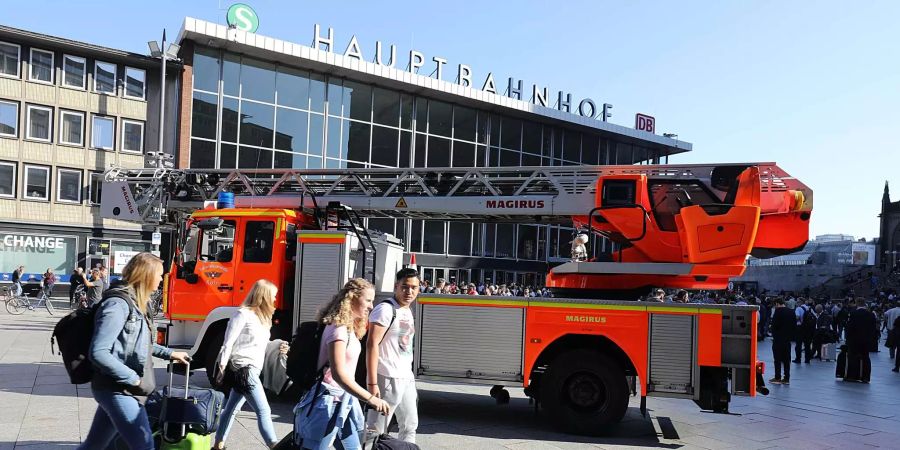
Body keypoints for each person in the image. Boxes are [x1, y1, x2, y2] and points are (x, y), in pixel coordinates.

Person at [78, 253, 190, 450]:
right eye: (160, 275)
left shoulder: (137, 304)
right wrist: (133, 378)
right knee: (144, 445)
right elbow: (98, 352)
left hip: (119, 387)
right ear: (146, 275)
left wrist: (170, 353)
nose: (162, 279)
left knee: (94, 446)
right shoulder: (117, 305)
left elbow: (138, 344)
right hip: (118, 388)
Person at [297, 278, 389, 449]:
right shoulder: (338, 330)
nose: (371, 306)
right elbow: (339, 375)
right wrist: (370, 399)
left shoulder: (348, 329)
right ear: (352, 298)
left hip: (342, 401)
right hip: (328, 404)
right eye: (368, 300)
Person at [214, 279, 283, 449]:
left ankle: (218, 445)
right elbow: (228, 342)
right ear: (264, 296)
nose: (275, 300)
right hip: (243, 369)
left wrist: (279, 345)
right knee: (264, 411)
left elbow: (260, 345)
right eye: (273, 296)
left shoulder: (263, 319)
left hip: (251, 368)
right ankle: (274, 445)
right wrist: (222, 367)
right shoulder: (242, 314)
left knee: (231, 409)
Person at [365, 268, 420, 444]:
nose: (409, 292)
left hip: (405, 377)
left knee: (410, 425)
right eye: (404, 287)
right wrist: (372, 383)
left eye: (414, 288)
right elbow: (371, 344)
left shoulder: (407, 310)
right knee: (376, 430)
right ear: (396, 286)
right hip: (386, 376)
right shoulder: (385, 309)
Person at [844, 300, 875, 383]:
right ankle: (866, 377)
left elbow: (849, 327)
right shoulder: (871, 314)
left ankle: (853, 376)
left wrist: (847, 338)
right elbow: (873, 328)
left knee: (853, 357)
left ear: (857, 304)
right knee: (866, 357)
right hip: (866, 340)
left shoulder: (853, 314)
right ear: (864, 304)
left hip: (854, 340)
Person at [770, 297, 796, 385]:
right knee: (786, 359)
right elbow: (794, 325)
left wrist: (774, 334)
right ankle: (786, 378)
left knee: (777, 359)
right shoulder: (791, 311)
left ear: (777, 303)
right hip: (787, 339)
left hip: (778, 339)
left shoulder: (778, 312)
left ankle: (777, 377)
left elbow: (774, 325)